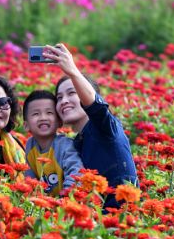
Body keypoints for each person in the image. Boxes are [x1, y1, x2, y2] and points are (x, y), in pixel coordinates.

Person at [43, 44, 138, 209]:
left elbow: (97, 108)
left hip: (122, 219)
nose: (64, 100)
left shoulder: (107, 127)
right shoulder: (75, 143)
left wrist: (72, 71)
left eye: (72, 93)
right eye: (59, 97)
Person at [23, 90, 83, 196]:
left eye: (49, 113)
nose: (43, 118)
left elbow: (76, 174)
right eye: (36, 114)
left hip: (68, 202)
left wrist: (64, 199)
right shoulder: (30, 145)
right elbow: (30, 179)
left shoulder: (65, 145)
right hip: (44, 207)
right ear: (26, 125)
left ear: (60, 121)